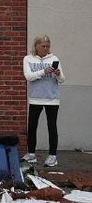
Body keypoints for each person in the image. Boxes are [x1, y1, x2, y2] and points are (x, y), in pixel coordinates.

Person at [22, 34, 65, 167]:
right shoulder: (28, 59)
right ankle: (31, 154)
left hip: (52, 99)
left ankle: (52, 156)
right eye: (43, 46)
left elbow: (62, 80)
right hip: (35, 98)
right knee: (32, 126)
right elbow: (28, 76)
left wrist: (58, 74)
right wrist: (43, 71)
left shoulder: (54, 58)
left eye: (47, 46)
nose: (45, 48)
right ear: (36, 46)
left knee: (52, 126)